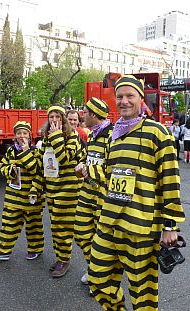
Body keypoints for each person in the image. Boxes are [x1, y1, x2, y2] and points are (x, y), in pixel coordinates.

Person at [84, 75, 185, 310]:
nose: (124, 101)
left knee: (143, 293)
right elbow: (111, 175)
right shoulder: (113, 134)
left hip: (141, 226)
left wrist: (170, 225)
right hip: (109, 221)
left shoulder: (158, 132)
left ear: (141, 99)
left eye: (130, 96)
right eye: (119, 96)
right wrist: (90, 172)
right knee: (97, 278)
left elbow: (170, 181)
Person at [36, 105, 86, 278]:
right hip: (52, 189)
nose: (54, 120)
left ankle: (95, 266)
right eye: (51, 117)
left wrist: (56, 136)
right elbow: (42, 164)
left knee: (69, 229)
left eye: (57, 116)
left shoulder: (73, 137)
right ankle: (62, 258)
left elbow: (64, 159)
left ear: (63, 119)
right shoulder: (46, 138)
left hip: (69, 189)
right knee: (57, 227)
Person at [0, 121, 45, 261]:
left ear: (30, 136)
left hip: (31, 195)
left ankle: (35, 249)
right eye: (19, 133)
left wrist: (26, 152)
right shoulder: (10, 151)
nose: (21, 136)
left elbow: (35, 170)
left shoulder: (36, 151)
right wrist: (9, 171)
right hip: (13, 196)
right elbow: (2, 166)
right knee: (8, 223)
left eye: (25, 133)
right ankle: (3, 250)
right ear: (14, 136)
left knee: (34, 225)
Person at [74, 97, 113, 287]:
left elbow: (115, 168)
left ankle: (100, 277)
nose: (82, 115)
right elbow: (91, 160)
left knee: (102, 239)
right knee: (81, 233)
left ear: (94, 115)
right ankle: (94, 268)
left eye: (85, 112)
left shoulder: (113, 135)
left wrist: (90, 170)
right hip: (87, 191)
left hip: (103, 196)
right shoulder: (91, 135)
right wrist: (82, 166)